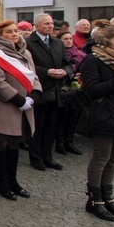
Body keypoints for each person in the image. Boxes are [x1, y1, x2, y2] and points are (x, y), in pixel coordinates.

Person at [0, 20, 42, 201]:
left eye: (16, 31)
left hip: (24, 105)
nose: (15, 34)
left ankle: (13, 181)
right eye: (9, 32)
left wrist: (35, 95)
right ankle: (2, 184)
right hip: (3, 105)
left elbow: (34, 76)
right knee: (1, 143)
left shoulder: (26, 53)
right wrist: (18, 99)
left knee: (15, 143)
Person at [77, 23, 114, 221]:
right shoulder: (92, 60)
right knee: (101, 157)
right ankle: (94, 200)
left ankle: (108, 197)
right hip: (103, 113)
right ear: (107, 42)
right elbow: (92, 90)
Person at [25, 13, 74, 171]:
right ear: (37, 26)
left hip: (56, 90)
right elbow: (27, 66)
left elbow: (68, 63)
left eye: (51, 23)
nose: (50, 26)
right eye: (46, 24)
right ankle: (36, 158)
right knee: (38, 126)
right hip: (40, 89)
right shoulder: (28, 43)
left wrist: (65, 72)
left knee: (51, 126)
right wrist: (47, 72)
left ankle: (47, 156)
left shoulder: (58, 43)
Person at [57, 31, 85, 156]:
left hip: (76, 88)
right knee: (62, 117)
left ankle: (70, 141)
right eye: (65, 39)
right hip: (62, 88)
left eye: (70, 38)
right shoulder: (58, 53)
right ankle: (60, 142)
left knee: (74, 116)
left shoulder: (80, 55)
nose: (68, 41)